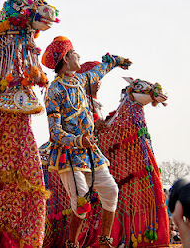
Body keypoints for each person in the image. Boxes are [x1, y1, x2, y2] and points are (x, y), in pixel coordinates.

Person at [42, 36, 131, 248]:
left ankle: (105, 242)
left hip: (91, 152)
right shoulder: (54, 90)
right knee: (81, 200)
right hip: (69, 154)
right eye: (74, 53)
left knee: (111, 190)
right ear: (65, 59)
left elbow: (100, 70)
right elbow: (55, 133)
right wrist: (78, 140)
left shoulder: (81, 80)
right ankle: (72, 244)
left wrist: (116, 61)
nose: (78, 55)